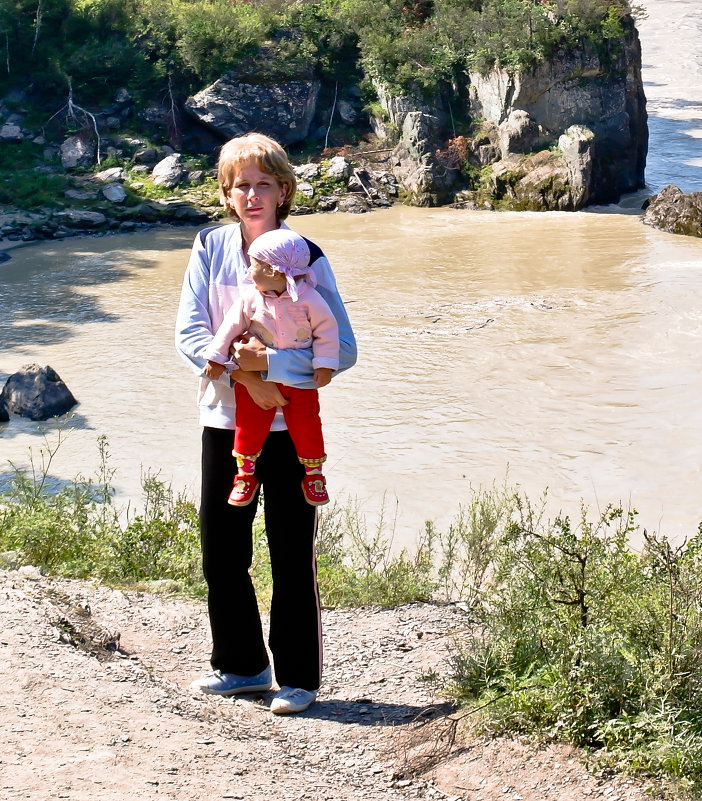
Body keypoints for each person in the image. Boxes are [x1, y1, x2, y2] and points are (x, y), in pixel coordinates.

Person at [175, 133, 356, 715]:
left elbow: (343, 348)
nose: (251, 195)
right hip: (225, 422)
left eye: (262, 183)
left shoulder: (307, 255)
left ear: (283, 190)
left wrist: (271, 366)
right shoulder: (209, 247)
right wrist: (246, 379)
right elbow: (192, 335)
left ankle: (298, 679)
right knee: (221, 551)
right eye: (240, 185)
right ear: (227, 195)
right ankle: (243, 666)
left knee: (290, 551)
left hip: (291, 433)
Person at [202, 228, 339, 508]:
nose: (249, 271)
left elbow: (328, 332)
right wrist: (216, 357)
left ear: (275, 272)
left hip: (299, 378)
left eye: (254, 266)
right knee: (248, 423)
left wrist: (325, 365)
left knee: (308, 423)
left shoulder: (309, 299)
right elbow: (230, 328)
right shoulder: (251, 297)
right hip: (256, 377)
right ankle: (244, 475)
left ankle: (314, 475)